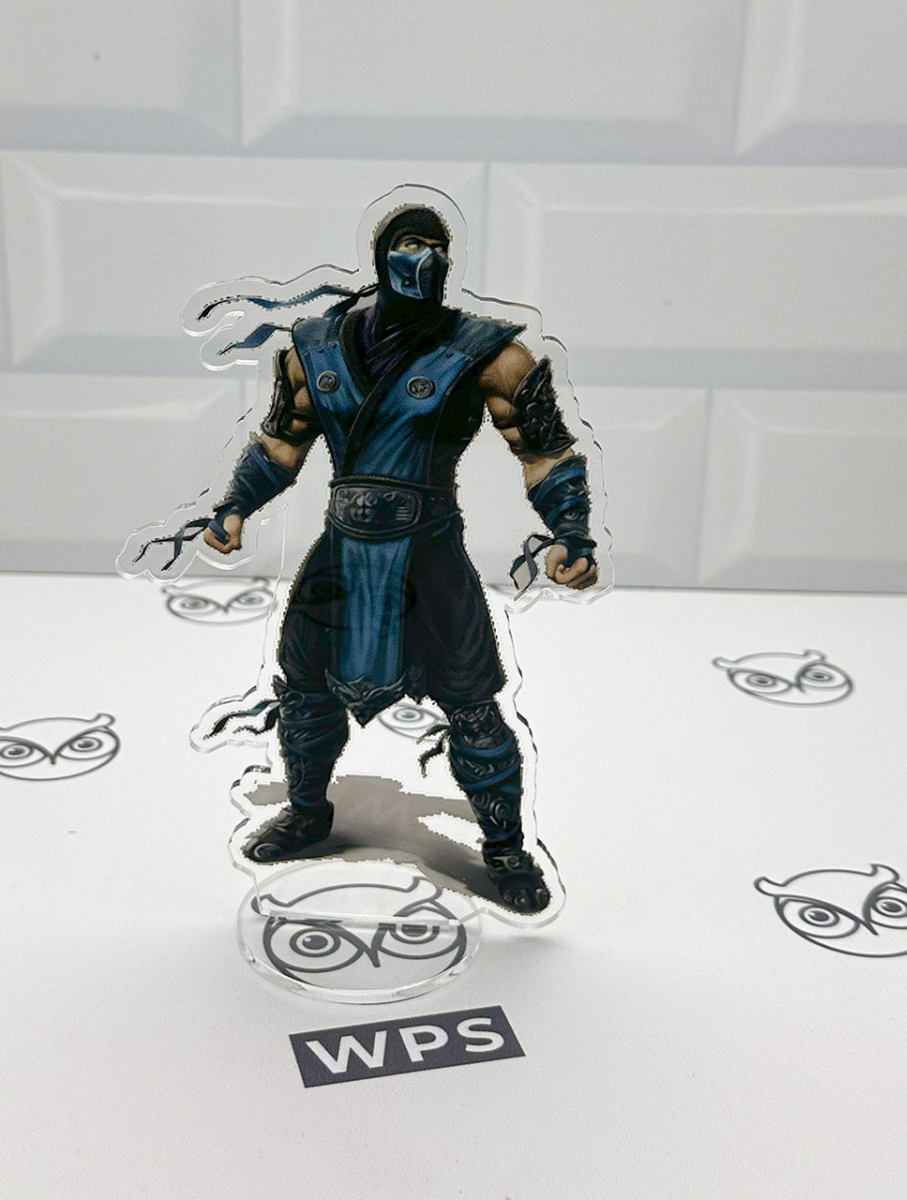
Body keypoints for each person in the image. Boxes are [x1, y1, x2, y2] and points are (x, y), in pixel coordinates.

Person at [140, 204, 597, 913]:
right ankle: (306, 813)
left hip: (430, 555)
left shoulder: (489, 352)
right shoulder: (314, 347)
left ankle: (506, 851)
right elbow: (282, 440)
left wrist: (571, 529)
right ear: (383, 255)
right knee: (304, 688)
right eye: (413, 244)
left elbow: (543, 449)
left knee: (473, 706)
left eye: (439, 247)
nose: (429, 260)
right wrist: (235, 505)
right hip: (340, 551)